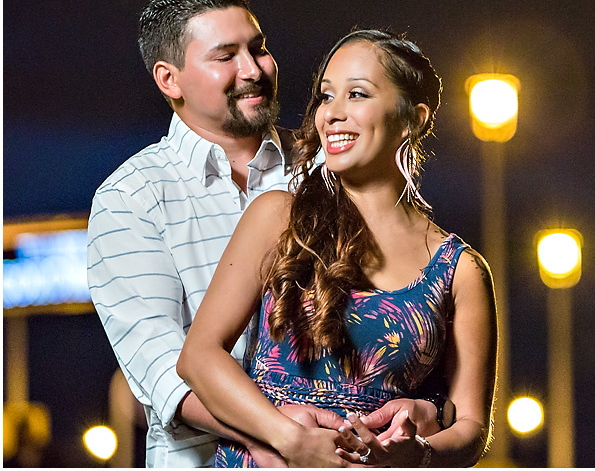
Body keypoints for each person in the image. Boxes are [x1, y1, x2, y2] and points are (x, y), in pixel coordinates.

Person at [87, 0, 448, 467]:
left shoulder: (331, 168)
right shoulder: (131, 198)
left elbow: (405, 313)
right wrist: (281, 438)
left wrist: (425, 411)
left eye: (258, 49)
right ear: (169, 79)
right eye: (225, 56)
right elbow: (165, 374)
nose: (253, 69)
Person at [178, 29, 498, 467]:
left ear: (413, 118)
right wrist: (289, 439)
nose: (332, 114)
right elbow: (198, 357)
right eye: (326, 97)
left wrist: (414, 454)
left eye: (357, 95)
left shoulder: (459, 270)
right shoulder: (279, 219)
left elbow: (471, 429)